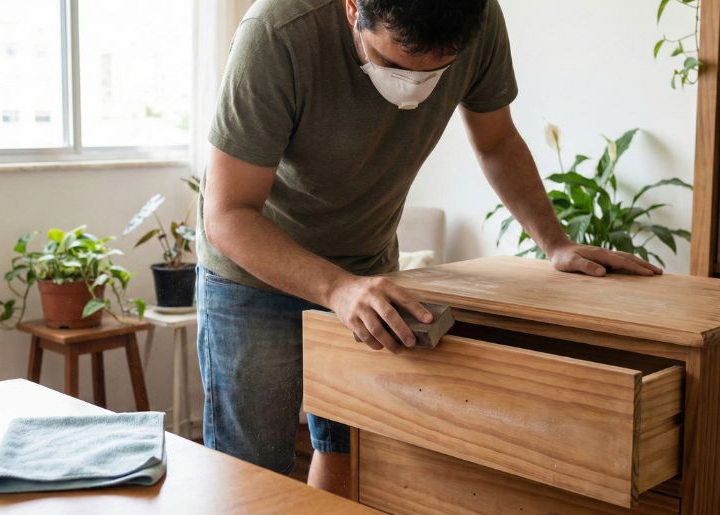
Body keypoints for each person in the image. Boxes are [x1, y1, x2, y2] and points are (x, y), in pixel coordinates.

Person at [195, 0, 662, 498]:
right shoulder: (277, 32)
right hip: (256, 270)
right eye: (392, 64)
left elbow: (497, 140)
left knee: (353, 451)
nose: (411, 87)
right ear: (353, 8)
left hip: (367, 268)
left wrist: (556, 243)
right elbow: (228, 214)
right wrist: (335, 288)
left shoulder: (476, 18)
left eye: (437, 71)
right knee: (252, 468)